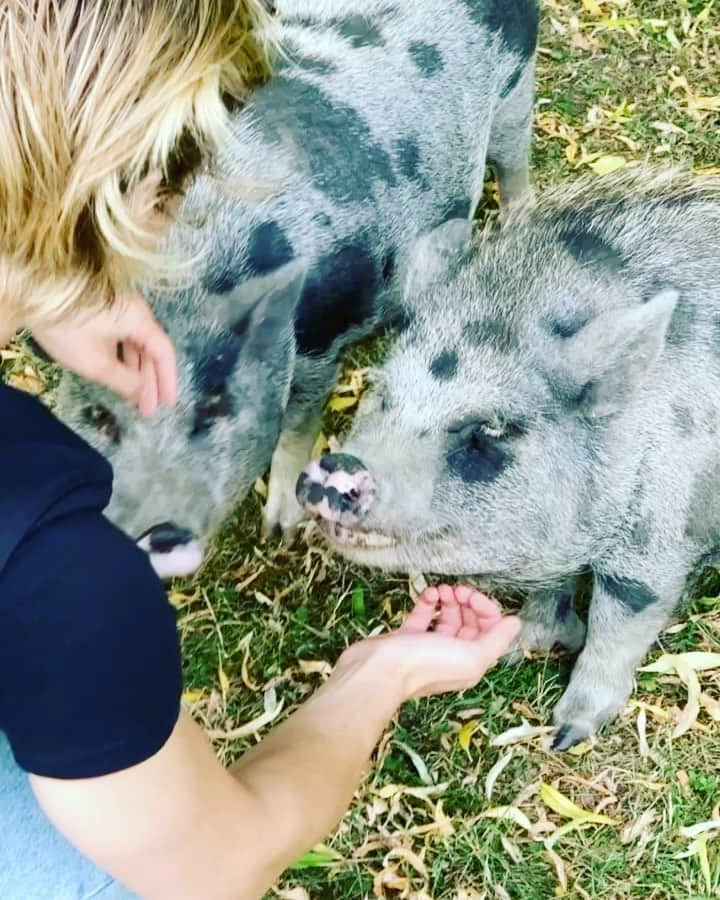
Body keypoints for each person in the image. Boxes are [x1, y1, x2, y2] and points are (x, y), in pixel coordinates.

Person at [0, 3, 520, 898]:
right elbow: (220, 863)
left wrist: (50, 287)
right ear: (133, 196)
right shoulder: (58, 575)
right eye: (179, 184)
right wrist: (380, 673)